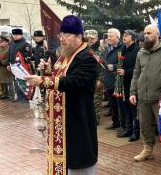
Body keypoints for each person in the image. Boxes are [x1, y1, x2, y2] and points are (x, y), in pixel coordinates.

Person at [26, 15, 98, 175]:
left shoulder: (88, 57)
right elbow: (60, 75)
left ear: (79, 36)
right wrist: (47, 71)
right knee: (65, 161)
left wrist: (43, 80)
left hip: (77, 117)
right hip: (61, 121)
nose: (62, 39)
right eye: (61, 35)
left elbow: (73, 81)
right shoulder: (65, 56)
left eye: (67, 35)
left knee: (78, 162)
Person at [129, 24, 161, 167]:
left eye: (149, 33)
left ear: (157, 34)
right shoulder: (141, 53)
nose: (146, 35)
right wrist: (133, 92)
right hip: (143, 97)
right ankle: (147, 150)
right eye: (145, 33)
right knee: (144, 126)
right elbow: (136, 74)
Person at [117, 30, 140, 141]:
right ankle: (128, 129)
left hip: (133, 83)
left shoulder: (137, 50)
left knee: (133, 108)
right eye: (123, 36)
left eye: (127, 36)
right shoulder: (123, 49)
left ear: (133, 38)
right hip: (123, 83)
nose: (124, 37)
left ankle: (136, 132)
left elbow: (138, 68)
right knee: (125, 106)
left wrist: (126, 72)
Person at [102, 28, 123, 130]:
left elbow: (125, 63)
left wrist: (114, 67)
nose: (108, 38)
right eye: (108, 36)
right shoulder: (106, 48)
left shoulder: (122, 48)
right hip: (108, 81)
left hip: (118, 81)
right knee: (112, 104)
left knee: (120, 105)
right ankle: (115, 122)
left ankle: (122, 124)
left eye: (111, 36)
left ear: (117, 37)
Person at [85, 29, 104, 125]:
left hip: (96, 80)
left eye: (92, 38)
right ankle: (89, 119)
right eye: (88, 38)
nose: (90, 40)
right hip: (86, 80)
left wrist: (101, 80)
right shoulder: (85, 50)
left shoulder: (100, 51)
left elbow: (104, 67)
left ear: (96, 38)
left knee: (96, 102)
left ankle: (95, 120)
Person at [8, 28, 32, 102]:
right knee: (16, 82)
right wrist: (8, 64)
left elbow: (28, 56)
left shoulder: (25, 44)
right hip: (13, 66)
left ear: (21, 35)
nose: (15, 36)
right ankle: (19, 97)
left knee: (23, 81)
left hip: (22, 67)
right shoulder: (12, 43)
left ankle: (25, 98)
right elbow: (10, 54)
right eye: (14, 34)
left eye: (17, 35)